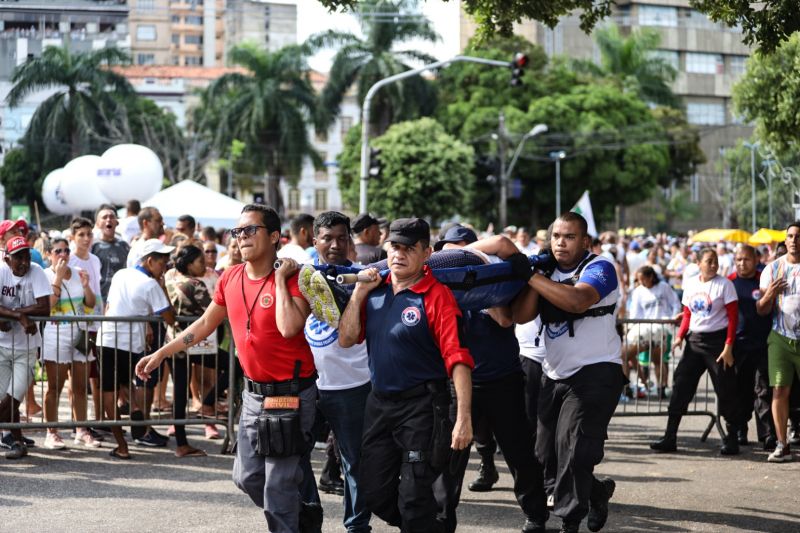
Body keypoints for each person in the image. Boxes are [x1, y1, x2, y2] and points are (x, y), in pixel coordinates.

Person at [136, 204, 321, 531]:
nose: (241, 237)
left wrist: (279, 279)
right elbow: (206, 323)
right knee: (247, 477)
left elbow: (290, 327)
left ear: (274, 236)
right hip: (253, 396)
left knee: (277, 488)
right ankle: (303, 513)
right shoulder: (230, 277)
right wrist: (162, 353)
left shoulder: (296, 278)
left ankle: (292, 517)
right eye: (238, 231)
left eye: (250, 230)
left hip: (290, 395)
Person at [338, 217, 474, 533]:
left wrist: (463, 418)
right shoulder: (374, 290)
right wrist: (359, 291)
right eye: (394, 247)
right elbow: (346, 339)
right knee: (373, 492)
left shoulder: (437, 296)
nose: (399, 254)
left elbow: (459, 360)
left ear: (426, 253)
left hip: (422, 407)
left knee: (414, 497)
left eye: (409, 249)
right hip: (380, 404)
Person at [511, 212, 622, 533]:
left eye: (569, 236)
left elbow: (578, 301)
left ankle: (569, 521)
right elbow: (520, 315)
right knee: (544, 454)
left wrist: (531, 278)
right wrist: (535, 274)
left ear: (585, 241)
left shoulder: (599, 267)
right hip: (554, 373)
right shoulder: (546, 271)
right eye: (556, 236)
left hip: (597, 371)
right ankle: (597, 493)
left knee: (573, 449)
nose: (561, 242)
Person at [431, 228, 548, 533]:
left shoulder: (493, 282)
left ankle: (536, 515)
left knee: (519, 451)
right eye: (448, 254)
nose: (453, 261)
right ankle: (442, 520)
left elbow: (505, 318)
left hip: (501, 380)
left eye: (460, 252)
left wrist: (477, 280)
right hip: (457, 384)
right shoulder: (437, 289)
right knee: (450, 457)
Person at [299, 211, 372, 533]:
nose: (335, 244)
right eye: (327, 238)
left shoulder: (364, 278)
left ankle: (357, 526)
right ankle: (308, 518)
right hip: (306, 385)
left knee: (354, 461)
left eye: (342, 238)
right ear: (313, 240)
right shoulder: (300, 278)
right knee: (295, 457)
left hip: (353, 386)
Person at [650, 247, 740, 455]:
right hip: (694, 342)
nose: (714, 264)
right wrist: (680, 337)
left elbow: (733, 319)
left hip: (717, 343)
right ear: (698, 263)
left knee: (725, 389)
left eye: (715, 261)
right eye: (709, 261)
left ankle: (732, 439)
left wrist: (728, 347)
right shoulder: (690, 283)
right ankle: (670, 437)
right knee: (680, 386)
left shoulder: (725, 285)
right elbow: (688, 315)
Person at [98, 239, 176, 459]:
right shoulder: (150, 284)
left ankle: (126, 439)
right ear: (150, 261)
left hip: (108, 339)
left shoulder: (121, 274)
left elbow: (109, 306)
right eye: (163, 262)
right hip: (128, 344)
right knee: (117, 390)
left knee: (114, 390)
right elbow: (170, 317)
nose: (165, 267)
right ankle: (133, 424)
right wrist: (161, 287)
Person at [42, 238, 100, 449]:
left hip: (80, 334)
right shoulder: (44, 275)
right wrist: (57, 277)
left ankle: (81, 430)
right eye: (58, 251)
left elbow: (91, 303)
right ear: (49, 254)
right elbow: (48, 305)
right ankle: (52, 432)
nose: (63, 254)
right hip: (55, 336)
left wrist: (86, 287)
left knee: (80, 387)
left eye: (66, 250)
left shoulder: (77, 272)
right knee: (54, 387)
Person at [0, 236, 51, 459]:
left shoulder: (37, 271)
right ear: (7, 258)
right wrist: (19, 315)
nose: (24, 262)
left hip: (26, 349)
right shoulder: (1, 271)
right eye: (18, 257)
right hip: (1, 347)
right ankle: (17, 442)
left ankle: (14, 440)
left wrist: (10, 314)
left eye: (26, 256)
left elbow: (44, 308)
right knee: (4, 398)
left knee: (13, 398)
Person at [757, 222, 800, 462]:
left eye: (798, 236)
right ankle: (782, 445)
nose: (794, 241)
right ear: (785, 240)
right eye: (790, 236)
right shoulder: (772, 269)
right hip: (781, 338)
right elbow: (761, 310)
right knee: (779, 390)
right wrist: (770, 294)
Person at [729, 245, 775, 449]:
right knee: (740, 390)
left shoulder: (764, 279)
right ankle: (740, 430)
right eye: (738, 259)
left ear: (755, 260)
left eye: (746, 259)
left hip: (763, 343)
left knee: (762, 389)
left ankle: (767, 435)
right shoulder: (729, 282)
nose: (742, 263)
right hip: (738, 346)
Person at [624, 266, 682, 399]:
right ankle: (639, 385)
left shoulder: (663, 287)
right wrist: (632, 327)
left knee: (659, 360)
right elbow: (635, 312)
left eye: (643, 279)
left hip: (662, 328)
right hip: (644, 330)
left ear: (651, 277)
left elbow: (675, 303)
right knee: (630, 356)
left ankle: (662, 387)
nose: (641, 282)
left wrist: (671, 320)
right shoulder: (638, 291)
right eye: (639, 280)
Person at [92, 205, 131, 302]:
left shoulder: (124, 246)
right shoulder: (92, 247)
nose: (108, 220)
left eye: (112, 217)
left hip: (123, 299)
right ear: (97, 223)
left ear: (117, 222)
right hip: (100, 300)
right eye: (104, 217)